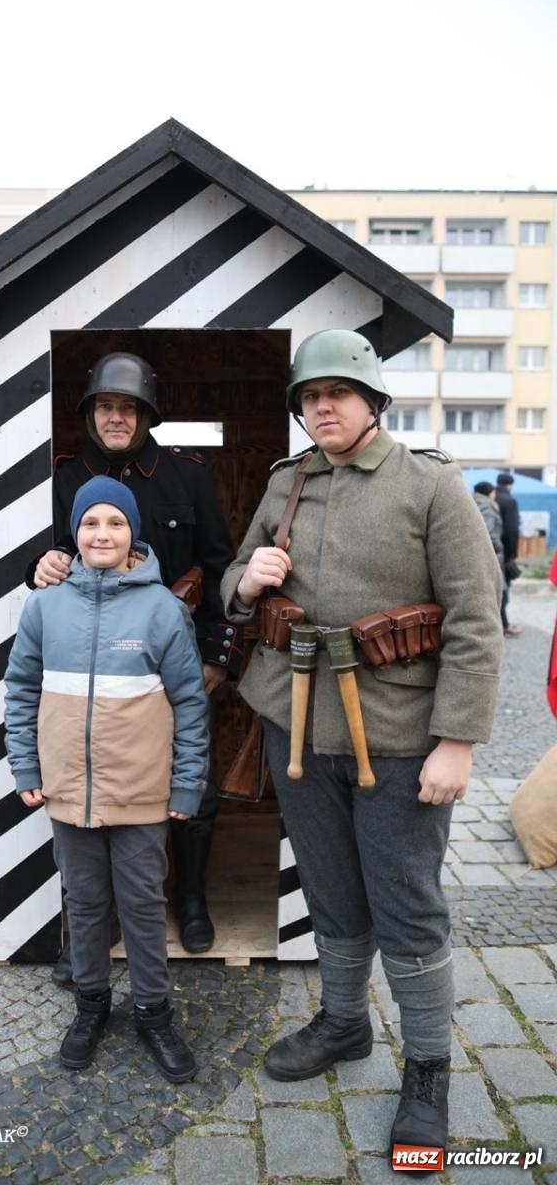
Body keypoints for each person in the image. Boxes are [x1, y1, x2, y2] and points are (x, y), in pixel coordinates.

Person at [220, 329, 503, 1163]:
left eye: (338, 393)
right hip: (298, 729)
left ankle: (428, 1070)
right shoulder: (288, 483)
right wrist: (247, 581)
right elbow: (237, 584)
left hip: (401, 736)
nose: (323, 408)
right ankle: (345, 1022)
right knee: (331, 890)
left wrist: (458, 741)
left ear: (373, 400)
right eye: (310, 397)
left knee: (406, 903)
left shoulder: (431, 484)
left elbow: (477, 621)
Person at [32, 351, 241, 963]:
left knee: (193, 782)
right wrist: (39, 564)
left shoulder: (187, 475)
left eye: (128, 407)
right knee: (97, 785)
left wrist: (215, 657)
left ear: (147, 415)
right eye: (105, 406)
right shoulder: (63, 477)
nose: (116, 418)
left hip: (175, 658)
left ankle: (192, 898)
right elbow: (49, 556)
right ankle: (102, 921)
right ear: (90, 413)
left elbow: (221, 567)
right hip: (95, 664)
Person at [5, 477, 208, 1081]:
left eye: (115, 523)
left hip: (141, 791)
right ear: (75, 532)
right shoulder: (44, 607)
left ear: (133, 532)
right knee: (85, 903)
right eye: (90, 523)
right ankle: (90, 1004)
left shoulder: (163, 609)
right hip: (68, 790)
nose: (102, 534)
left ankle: (153, 1012)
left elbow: (190, 703)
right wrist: (26, 766)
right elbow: (20, 691)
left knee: (143, 904)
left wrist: (187, 784)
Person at [495, 471, 523, 635]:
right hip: (503, 551)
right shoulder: (509, 501)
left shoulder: (491, 497)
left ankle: (498, 623)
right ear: (510, 485)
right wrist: (512, 554)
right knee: (503, 588)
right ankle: (503, 625)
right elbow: (512, 530)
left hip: (487, 549)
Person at [473, 482, 506, 577]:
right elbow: (487, 531)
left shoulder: (473, 504)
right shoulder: (486, 507)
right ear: (490, 493)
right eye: (494, 492)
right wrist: (499, 547)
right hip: (491, 552)